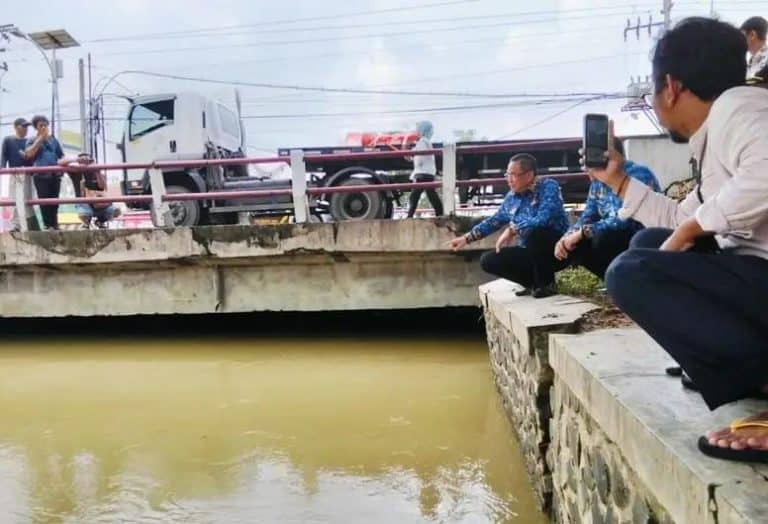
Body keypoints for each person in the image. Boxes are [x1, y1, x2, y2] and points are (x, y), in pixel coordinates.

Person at [591, 17, 768, 463]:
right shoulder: (722, 128)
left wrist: (691, 229)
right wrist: (617, 182)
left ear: (670, 87)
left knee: (631, 271)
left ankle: (753, 373)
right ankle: (749, 375)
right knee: (646, 246)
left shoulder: (741, 110)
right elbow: (679, 219)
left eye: (652, 93)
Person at [449, 153, 569, 298]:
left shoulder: (548, 187)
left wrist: (513, 229)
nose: (509, 179)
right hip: (528, 250)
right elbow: (494, 221)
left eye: (514, 175)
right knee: (488, 260)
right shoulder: (511, 198)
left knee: (535, 232)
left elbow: (543, 219)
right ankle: (533, 284)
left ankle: (546, 283)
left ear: (529, 175)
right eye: (508, 174)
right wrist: (466, 238)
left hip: (556, 249)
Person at [554, 138, 661, 279]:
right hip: (613, 236)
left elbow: (625, 219)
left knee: (604, 237)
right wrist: (567, 236)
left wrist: (584, 232)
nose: (586, 168)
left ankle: (633, 280)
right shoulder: (597, 183)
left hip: (642, 236)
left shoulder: (639, 174)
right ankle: (614, 281)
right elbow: (588, 215)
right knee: (574, 245)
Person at [24, 115, 65, 230]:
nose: (43, 127)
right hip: (41, 175)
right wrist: (40, 139)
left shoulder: (53, 140)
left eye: (45, 125)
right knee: (44, 201)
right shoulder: (32, 140)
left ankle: (54, 224)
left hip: (55, 174)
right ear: (36, 127)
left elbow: (61, 155)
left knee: (54, 201)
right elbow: (29, 154)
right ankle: (47, 225)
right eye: (40, 125)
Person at [61, 152, 121, 229]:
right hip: (84, 204)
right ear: (78, 162)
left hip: (100, 204)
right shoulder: (76, 173)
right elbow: (61, 163)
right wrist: (75, 159)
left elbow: (102, 187)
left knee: (115, 211)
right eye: (82, 160)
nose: (85, 162)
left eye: (88, 160)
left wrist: (97, 171)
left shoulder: (98, 173)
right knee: (84, 212)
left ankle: (101, 221)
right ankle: (86, 222)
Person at [0, 118, 32, 231]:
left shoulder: (29, 141)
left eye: (27, 127)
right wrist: (3, 169)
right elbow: (3, 156)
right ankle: (15, 225)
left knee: (28, 200)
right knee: (14, 199)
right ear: (16, 127)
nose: (26, 129)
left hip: (28, 174)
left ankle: (28, 225)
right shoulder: (8, 140)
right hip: (14, 173)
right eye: (23, 126)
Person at [407, 121, 443, 218]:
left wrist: (410, 154)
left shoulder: (422, 141)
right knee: (431, 194)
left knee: (414, 196)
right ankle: (440, 213)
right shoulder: (426, 141)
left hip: (422, 172)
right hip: (427, 172)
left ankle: (409, 215)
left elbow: (419, 155)